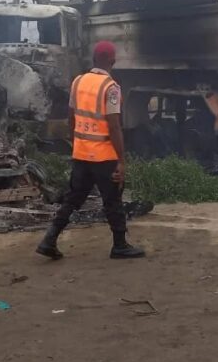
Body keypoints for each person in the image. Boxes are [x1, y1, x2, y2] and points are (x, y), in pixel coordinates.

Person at [35, 41, 145, 260]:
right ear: (112, 61)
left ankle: (49, 239)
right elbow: (114, 126)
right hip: (104, 156)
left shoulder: (78, 82)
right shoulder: (110, 88)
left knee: (73, 198)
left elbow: (71, 117)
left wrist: (76, 142)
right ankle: (120, 245)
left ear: (93, 60)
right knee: (113, 200)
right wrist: (121, 160)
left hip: (81, 154)